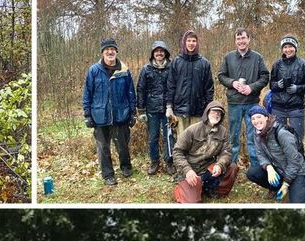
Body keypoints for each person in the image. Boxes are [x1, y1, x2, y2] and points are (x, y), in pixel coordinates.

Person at [82, 38, 136, 187]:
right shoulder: (94, 70)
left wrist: (133, 112)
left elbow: (130, 92)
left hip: (121, 114)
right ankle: (108, 175)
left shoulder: (124, 70)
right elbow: (87, 93)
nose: (110, 52)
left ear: (116, 52)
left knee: (123, 145)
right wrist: (87, 114)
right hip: (100, 116)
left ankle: (126, 167)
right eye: (107, 49)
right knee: (103, 148)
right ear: (103, 52)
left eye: (113, 49)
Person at [218, 29, 269, 166]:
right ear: (235, 41)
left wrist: (251, 87)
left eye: (243, 38)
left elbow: (265, 77)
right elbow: (221, 76)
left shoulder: (257, 58)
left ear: (249, 39)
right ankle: (232, 166)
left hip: (252, 103)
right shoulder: (228, 57)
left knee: (253, 136)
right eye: (238, 39)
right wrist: (232, 83)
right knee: (233, 136)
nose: (241, 41)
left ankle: (256, 166)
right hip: (234, 103)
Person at [171, 101, 238, 203]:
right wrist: (187, 170)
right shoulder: (193, 130)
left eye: (219, 113)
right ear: (207, 113)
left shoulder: (223, 132)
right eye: (213, 112)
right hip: (191, 170)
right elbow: (177, 152)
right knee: (191, 202)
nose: (216, 115)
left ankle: (213, 190)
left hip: (208, 169)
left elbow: (226, 152)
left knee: (233, 167)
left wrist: (220, 165)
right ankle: (183, 188)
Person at [246, 106, 305, 203]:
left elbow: (294, 162)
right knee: (252, 173)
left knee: (298, 203)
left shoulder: (282, 133)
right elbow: (260, 154)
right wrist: (269, 168)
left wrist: (286, 184)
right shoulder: (257, 133)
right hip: (278, 169)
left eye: (259, 117)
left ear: (266, 117)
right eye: (253, 118)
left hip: (296, 171)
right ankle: (276, 187)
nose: (256, 121)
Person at [269, 35, 305, 155]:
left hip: (296, 107)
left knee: (297, 139)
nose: (288, 50)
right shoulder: (276, 65)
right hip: (278, 107)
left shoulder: (304, 65)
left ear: (295, 48)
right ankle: (281, 168)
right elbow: (271, 85)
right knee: (278, 138)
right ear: (282, 49)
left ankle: (300, 169)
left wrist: (297, 89)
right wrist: (278, 85)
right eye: (285, 47)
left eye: (291, 47)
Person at [166, 30, 214, 137]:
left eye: (193, 41)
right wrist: (169, 106)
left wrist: (208, 108)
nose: (191, 43)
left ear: (197, 43)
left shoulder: (204, 63)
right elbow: (170, 86)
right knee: (182, 142)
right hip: (179, 111)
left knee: (197, 142)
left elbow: (209, 88)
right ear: (184, 42)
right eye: (189, 41)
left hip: (198, 111)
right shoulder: (176, 62)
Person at [137, 40, 173, 175]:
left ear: (165, 53)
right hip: (151, 109)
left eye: (161, 51)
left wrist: (172, 106)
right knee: (153, 137)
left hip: (167, 109)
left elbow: (173, 88)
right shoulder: (146, 69)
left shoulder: (171, 68)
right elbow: (140, 89)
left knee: (169, 137)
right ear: (153, 54)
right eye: (157, 51)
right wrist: (141, 110)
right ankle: (154, 162)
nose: (159, 53)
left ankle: (169, 162)